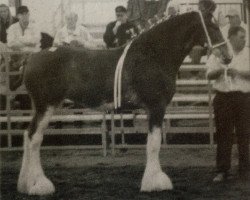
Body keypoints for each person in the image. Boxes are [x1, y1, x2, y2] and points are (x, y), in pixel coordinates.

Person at [206, 26, 250, 182]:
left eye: (245, 37)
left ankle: (245, 170)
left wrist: (237, 72)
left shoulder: (248, 53)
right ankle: (222, 171)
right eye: (241, 37)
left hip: (243, 98)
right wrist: (221, 70)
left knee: (244, 135)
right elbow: (209, 75)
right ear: (231, 38)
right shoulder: (218, 52)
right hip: (223, 98)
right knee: (224, 136)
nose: (244, 40)